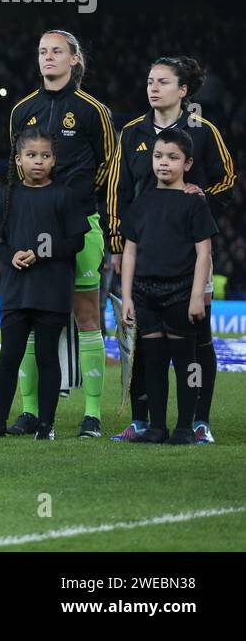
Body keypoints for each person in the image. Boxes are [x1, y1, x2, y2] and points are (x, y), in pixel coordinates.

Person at [106, 56, 236, 443]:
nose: (153, 87)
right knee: (142, 341)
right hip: (141, 254)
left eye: (163, 82)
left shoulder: (203, 130)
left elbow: (227, 178)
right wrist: (116, 243)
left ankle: (199, 421)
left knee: (198, 340)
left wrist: (202, 196)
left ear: (183, 90)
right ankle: (143, 420)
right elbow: (118, 190)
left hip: (191, 257)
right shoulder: (131, 133)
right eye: (149, 81)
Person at [7, 30, 115, 438]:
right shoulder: (22, 110)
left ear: (74, 59)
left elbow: (109, 165)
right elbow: (15, 169)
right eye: (42, 52)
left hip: (80, 226)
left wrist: (76, 200)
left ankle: (92, 416)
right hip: (31, 228)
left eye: (57, 51)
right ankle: (30, 413)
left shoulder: (92, 110)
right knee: (31, 318)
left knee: (88, 316)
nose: (48, 58)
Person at [0, 128, 89, 440]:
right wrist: (11, 254)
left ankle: (46, 424)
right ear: (18, 160)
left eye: (45, 156)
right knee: (9, 357)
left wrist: (41, 253)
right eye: (31, 155)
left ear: (54, 160)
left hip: (51, 289)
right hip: (16, 290)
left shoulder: (64, 195)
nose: (38, 161)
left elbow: (76, 241)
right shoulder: (7, 195)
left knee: (46, 357)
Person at [119, 128, 218, 445]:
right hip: (145, 293)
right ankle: (157, 427)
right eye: (158, 156)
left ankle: (186, 428)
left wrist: (195, 297)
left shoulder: (194, 202)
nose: (164, 163)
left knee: (187, 363)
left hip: (180, 292)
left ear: (187, 163)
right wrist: (126, 297)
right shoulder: (142, 202)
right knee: (154, 363)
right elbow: (130, 251)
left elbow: (204, 253)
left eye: (172, 157)